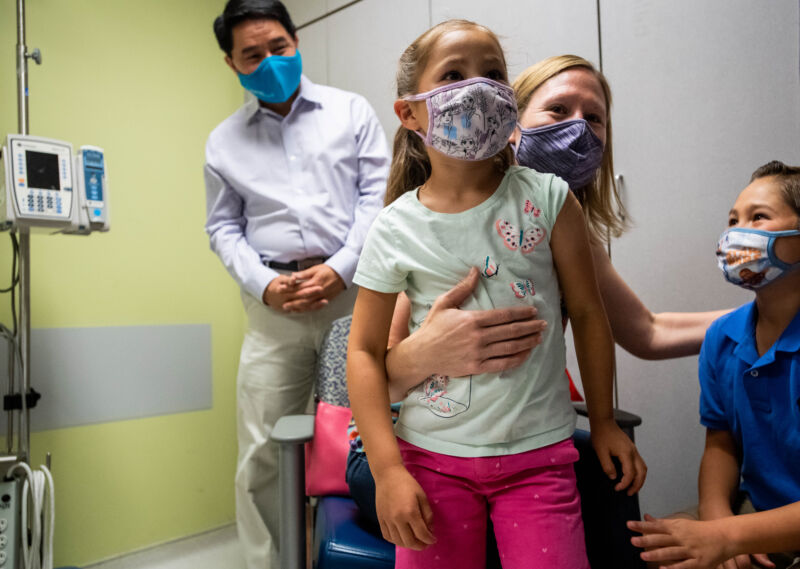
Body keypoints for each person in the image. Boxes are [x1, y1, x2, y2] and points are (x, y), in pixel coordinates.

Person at [346, 20, 646, 569]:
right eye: (455, 74)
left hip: (539, 460)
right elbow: (365, 353)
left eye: (493, 73)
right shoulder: (393, 228)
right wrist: (388, 470)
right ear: (410, 113)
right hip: (429, 461)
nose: (478, 87)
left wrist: (602, 420)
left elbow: (587, 311)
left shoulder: (550, 199)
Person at [384, 54, 729, 396]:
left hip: (529, 416)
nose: (578, 128)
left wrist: (765, 314)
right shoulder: (446, 218)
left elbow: (648, 332)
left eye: (593, 117)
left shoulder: (570, 234)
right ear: (508, 123)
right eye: (559, 110)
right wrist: (427, 352)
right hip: (428, 425)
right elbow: (381, 376)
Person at [203, 1, 390, 566]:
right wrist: (264, 284)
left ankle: (365, 551)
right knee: (262, 452)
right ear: (231, 63)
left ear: (296, 40)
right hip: (273, 310)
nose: (268, 62)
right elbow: (222, 226)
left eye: (278, 48)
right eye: (252, 55)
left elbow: (376, 199)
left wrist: (341, 267)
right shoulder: (223, 141)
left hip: (356, 296)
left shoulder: (350, 111)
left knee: (369, 434)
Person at [628, 161, 800, 569]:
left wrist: (727, 537)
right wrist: (718, 525)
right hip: (758, 511)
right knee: (659, 553)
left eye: (758, 217)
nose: (737, 233)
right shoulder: (722, 338)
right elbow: (720, 445)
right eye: (732, 220)